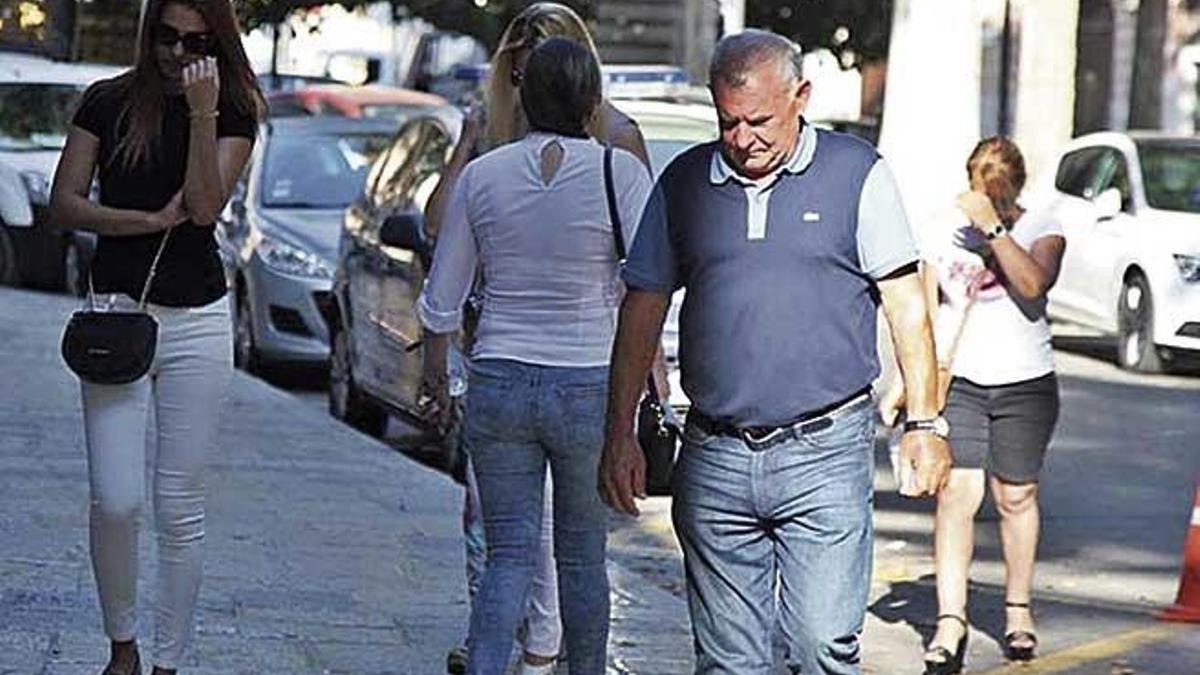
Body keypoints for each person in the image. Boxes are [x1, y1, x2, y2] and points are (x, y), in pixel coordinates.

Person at [601, 30, 953, 674]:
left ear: (802, 97)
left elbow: (908, 305)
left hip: (826, 453)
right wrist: (619, 431)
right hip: (714, 456)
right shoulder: (684, 183)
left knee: (822, 646)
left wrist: (925, 423)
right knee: (730, 662)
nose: (743, 139)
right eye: (728, 122)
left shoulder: (857, 174)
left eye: (759, 121)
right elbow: (642, 307)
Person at [419, 4, 661, 673]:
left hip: (498, 378)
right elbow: (649, 287)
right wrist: (643, 394)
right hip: (587, 384)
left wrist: (436, 377)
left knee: (508, 556)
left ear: (521, 92)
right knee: (583, 556)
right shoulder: (622, 173)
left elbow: (442, 298)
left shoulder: (484, 174)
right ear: (591, 100)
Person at [48, 1, 263, 673]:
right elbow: (64, 201)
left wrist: (202, 112)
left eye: (195, 40)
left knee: (180, 506)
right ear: (150, 35)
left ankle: (168, 661)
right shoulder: (107, 101)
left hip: (198, 321)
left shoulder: (233, 110)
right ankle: (123, 646)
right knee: (115, 498)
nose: (177, 51)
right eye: (166, 36)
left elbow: (203, 206)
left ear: (216, 42)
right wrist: (142, 221)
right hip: (116, 314)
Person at [882, 138, 1064, 674]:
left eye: (998, 191)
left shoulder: (1043, 224)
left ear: (1016, 186)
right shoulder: (943, 228)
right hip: (960, 382)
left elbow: (1033, 283)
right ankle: (950, 621)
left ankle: (1017, 611)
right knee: (956, 495)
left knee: (1015, 496)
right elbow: (924, 309)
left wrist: (994, 229)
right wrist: (904, 380)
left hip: (1026, 381)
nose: (989, 198)